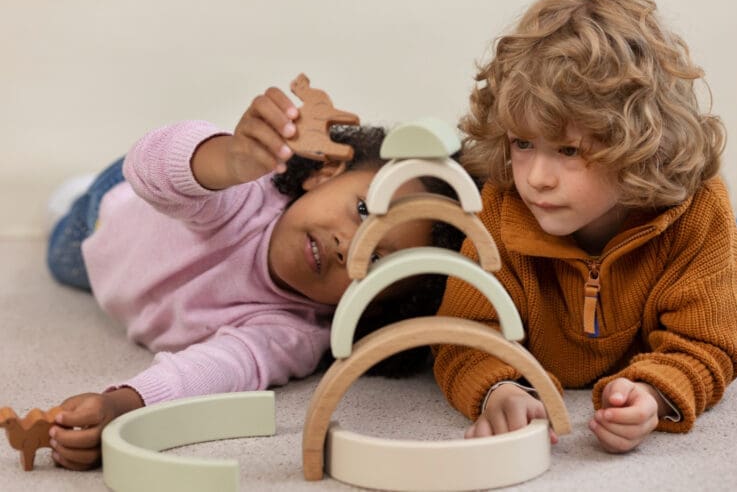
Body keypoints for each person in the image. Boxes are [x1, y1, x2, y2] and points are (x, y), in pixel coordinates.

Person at [431, 0, 737, 454]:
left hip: (708, 281)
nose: (536, 179)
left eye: (568, 150)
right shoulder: (500, 208)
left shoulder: (699, 211)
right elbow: (463, 334)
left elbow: (705, 346)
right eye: (522, 144)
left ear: (639, 143)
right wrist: (497, 388)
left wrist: (655, 394)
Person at [44, 88, 464, 470]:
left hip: (125, 291)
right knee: (65, 239)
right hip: (114, 211)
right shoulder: (245, 194)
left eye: (375, 259)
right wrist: (231, 159)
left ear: (368, 305)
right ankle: (78, 192)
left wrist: (121, 405)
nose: (347, 246)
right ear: (326, 173)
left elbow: (215, 370)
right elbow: (150, 164)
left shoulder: (294, 334)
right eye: (360, 211)